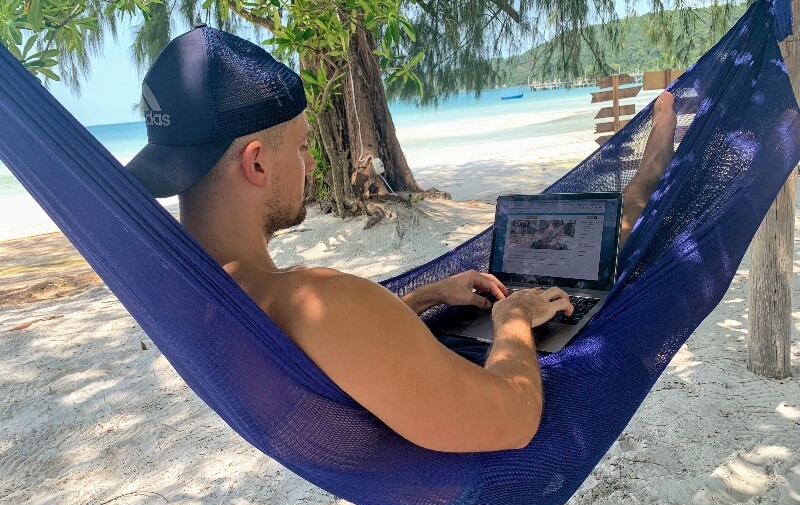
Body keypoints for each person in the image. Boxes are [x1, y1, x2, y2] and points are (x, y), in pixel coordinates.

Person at [127, 26, 677, 453]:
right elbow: (512, 420)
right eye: (299, 147)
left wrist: (428, 296)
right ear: (255, 162)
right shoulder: (321, 302)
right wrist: (512, 321)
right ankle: (647, 177)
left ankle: (642, 184)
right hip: (477, 464)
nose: (312, 162)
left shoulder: (186, 290)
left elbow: (342, 354)